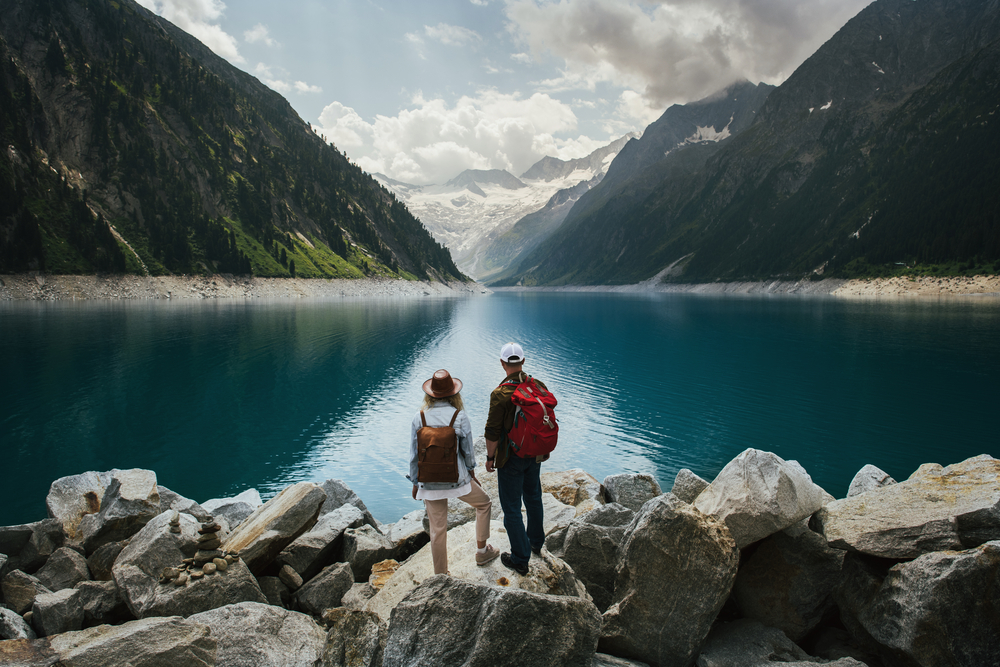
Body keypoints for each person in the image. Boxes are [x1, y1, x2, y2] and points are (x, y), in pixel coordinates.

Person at [409, 369, 499, 575]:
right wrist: (471, 473)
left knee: (437, 530)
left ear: (430, 394)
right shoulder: (459, 416)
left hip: (429, 482)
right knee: (484, 504)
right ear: (454, 394)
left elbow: (414, 455)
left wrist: (415, 482)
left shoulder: (419, 417)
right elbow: (468, 452)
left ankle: (441, 574)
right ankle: (482, 551)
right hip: (457, 479)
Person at [484, 342, 547, 575]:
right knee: (533, 498)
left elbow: (492, 432)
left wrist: (490, 457)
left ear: (502, 363)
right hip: (534, 453)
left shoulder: (500, 394)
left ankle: (520, 558)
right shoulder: (537, 385)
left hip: (511, 458)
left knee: (511, 507)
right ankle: (536, 542)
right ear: (523, 361)